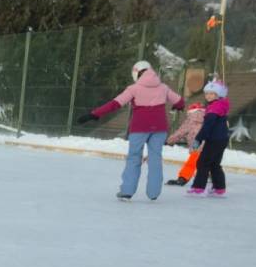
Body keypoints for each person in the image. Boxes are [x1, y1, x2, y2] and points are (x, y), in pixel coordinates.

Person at [77, 58, 185, 200]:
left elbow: (115, 104)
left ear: (136, 73)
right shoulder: (163, 87)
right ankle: (153, 193)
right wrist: (177, 106)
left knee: (134, 157)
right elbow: (180, 101)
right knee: (155, 158)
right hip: (159, 128)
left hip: (139, 128)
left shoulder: (133, 89)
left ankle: (127, 191)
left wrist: (94, 114)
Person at [188, 78, 231, 197]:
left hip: (214, 140)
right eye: (207, 93)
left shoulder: (214, 108)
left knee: (203, 163)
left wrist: (198, 139)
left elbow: (207, 126)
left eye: (212, 94)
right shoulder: (220, 104)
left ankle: (198, 189)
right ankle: (219, 189)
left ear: (218, 95)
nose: (208, 96)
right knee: (214, 164)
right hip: (221, 139)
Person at [167, 91, 206, 186]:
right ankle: (211, 176)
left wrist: (169, 141)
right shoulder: (208, 119)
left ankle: (183, 178)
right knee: (207, 162)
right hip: (209, 146)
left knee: (191, 163)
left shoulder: (190, 121)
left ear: (190, 112)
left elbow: (180, 133)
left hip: (197, 146)